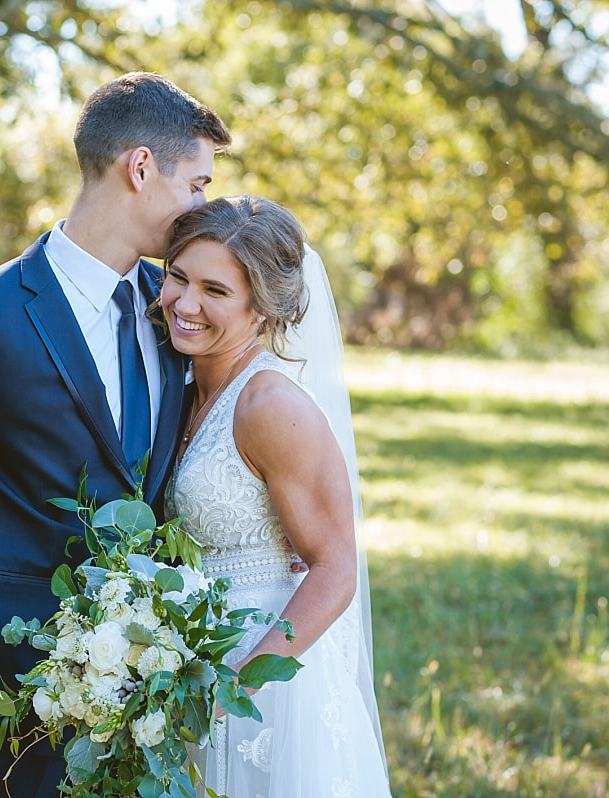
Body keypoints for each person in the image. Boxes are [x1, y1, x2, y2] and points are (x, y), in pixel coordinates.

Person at [0, 73, 230, 798]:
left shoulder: (173, 312)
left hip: (143, 693)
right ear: (141, 167)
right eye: (197, 183)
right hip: (15, 681)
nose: (203, 207)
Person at [160, 195, 392, 797]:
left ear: (262, 307)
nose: (185, 304)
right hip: (185, 665)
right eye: (177, 277)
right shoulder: (182, 386)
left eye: (215, 291)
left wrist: (243, 680)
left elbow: (336, 567)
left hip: (261, 679)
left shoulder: (270, 404)